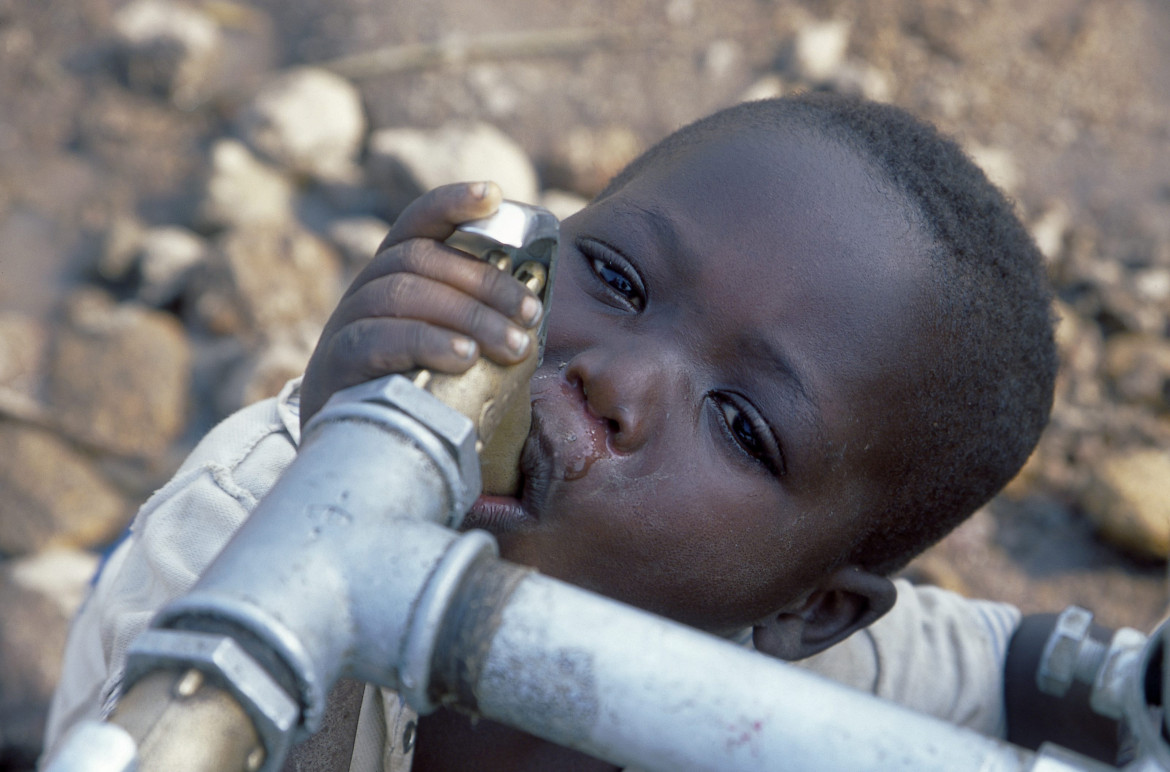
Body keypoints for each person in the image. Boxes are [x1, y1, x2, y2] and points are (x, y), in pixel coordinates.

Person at [44, 92, 1094, 771]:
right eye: (618, 277)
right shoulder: (241, 519)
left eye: (740, 423)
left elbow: (1019, 673)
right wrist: (332, 486)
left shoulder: (774, 667)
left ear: (806, 609)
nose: (612, 380)